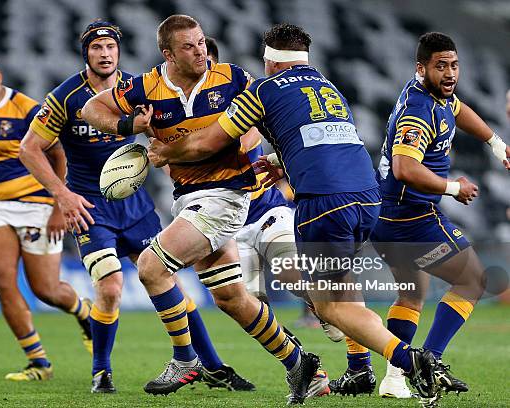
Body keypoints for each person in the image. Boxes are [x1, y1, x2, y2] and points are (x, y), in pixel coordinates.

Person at [145, 23, 448, 401]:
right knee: (330, 297)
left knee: (330, 306)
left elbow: (207, 142)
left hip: (320, 203)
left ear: (270, 61)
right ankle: (365, 369)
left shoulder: (261, 89)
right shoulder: (325, 84)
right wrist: (281, 161)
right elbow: (320, 139)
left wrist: (163, 152)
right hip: (367, 196)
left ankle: (408, 360)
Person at [81, 15, 320, 404]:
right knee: (231, 298)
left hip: (226, 196)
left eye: (201, 43)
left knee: (150, 267)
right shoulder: (146, 87)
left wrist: (247, 136)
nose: (200, 52)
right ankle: (301, 366)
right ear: (168, 53)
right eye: (189, 46)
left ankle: (185, 358)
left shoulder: (233, 78)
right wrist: (127, 125)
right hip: (189, 200)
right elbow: (93, 108)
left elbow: (260, 121)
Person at [20, 19, 253, 394]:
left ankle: (211, 366)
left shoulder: (141, 88)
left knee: (168, 281)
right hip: (90, 207)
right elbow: (29, 148)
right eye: (97, 48)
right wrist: (61, 196)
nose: (105, 54)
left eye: (110, 47)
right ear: (86, 54)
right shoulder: (66, 96)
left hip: (137, 207)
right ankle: (101, 371)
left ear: (118, 51)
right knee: (110, 286)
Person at [370, 32, 510, 399]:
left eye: (454, 65)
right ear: (421, 68)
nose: (450, 73)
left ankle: (395, 378)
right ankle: (428, 363)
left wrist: (495, 144)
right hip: (411, 217)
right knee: (473, 280)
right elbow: (404, 166)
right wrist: (452, 187)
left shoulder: (436, 95)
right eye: (440, 66)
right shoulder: (420, 110)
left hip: (386, 216)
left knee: (412, 295)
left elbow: (459, 110)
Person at [0, 51, 92, 382]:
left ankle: (84, 312)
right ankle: (39, 362)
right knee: (2, 281)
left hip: (38, 204)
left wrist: (59, 205)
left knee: (46, 290)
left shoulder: (27, 109)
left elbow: (59, 155)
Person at [205, 35, 332, 398]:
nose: (206, 73)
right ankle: (308, 367)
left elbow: (247, 141)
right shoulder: (176, 113)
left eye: (211, 66)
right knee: (242, 304)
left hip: (264, 210)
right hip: (226, 225)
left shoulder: (242, 93)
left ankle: (344, 329)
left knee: (294, 273)